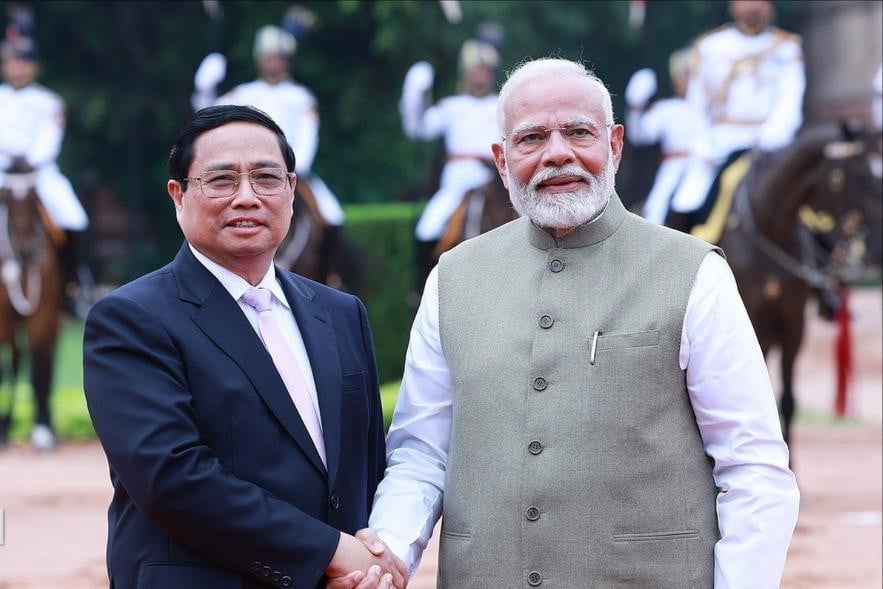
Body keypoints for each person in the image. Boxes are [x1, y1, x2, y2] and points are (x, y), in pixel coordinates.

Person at [368, 58, 799, 587]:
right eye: (532, 138)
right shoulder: (452, 279)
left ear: (614, 146)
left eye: (578, 132)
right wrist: (388, 549)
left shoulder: (694, 273)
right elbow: (420, 453)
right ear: (502, 161)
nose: (557, 153)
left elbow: (752, 465)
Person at [83, 105, 406, 589]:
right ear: (178, 195)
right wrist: (330, 554)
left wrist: (365, 561)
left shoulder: (340, 314)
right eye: (221, 181)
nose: (247, 197)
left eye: (266, 178)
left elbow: (364, 468)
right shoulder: (132, 319)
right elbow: (175, 480)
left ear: (292, 191)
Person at [192, 24, 346, 235]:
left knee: (331, 214)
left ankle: (330, 267)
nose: (272, 62)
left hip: (290, 171)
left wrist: (292, 169)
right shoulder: (242, 94)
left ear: (286, 60)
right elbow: (206, 117)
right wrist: (205, 88)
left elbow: (308, 136)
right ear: (259, 60)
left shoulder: (302, 97)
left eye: (277, 57)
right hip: (244, 169)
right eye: (268, 57)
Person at [666, 0, 805, 233]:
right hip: (720, 141)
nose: (753, 6)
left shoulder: (787, 48)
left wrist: (771, 138)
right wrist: (703, 141)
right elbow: (696, 104)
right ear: (732, 6)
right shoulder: (710, 46)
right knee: (687, 197)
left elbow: (790, 102)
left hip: (771, 142)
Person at [400, 37, 500, 289]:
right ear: (465, 74)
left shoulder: (501, 105)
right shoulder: (451, 107)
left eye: (486, 71)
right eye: (476, 70)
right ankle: (422, 292)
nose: (481, 76)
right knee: (427, 228)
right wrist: (416, 92)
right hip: (458, 182)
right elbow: (418, 129)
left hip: (498, 180)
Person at [0, 35, 90, 315]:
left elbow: (49, 140)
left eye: (25, 62)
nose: (19, 68)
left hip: (39, 174)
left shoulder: (49, 101)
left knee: (74, 217)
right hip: (2, 173)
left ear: (34, 67)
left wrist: (29, 161)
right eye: (14, 62)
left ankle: (71, 286)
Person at [624, 48, 701, 225]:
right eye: (681, 76)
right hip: (674, 167)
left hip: (707, 162)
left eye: (688, 75)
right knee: (655, 209)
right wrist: (635, 106)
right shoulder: (667, 109)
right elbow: (640, 135)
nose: (685, 81)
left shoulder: (713, 106)